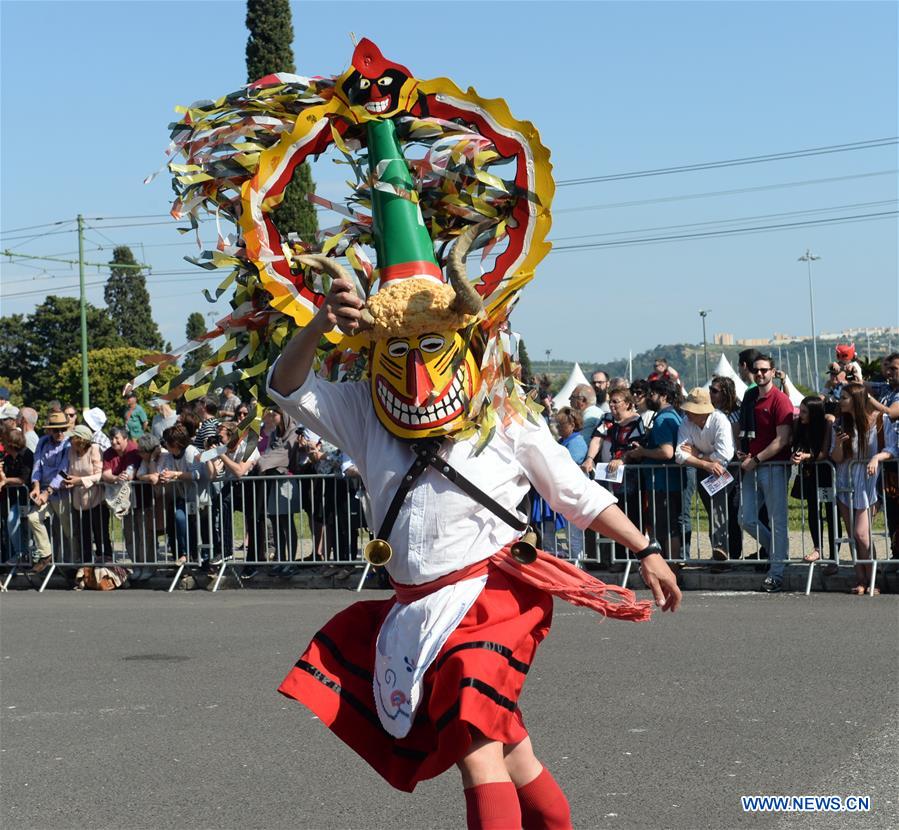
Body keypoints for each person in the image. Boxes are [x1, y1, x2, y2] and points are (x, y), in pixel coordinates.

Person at [267, 239, 679, 827]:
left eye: (430, 344)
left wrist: (648, 549)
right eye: (398, 346)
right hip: (417, 608)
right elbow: (285, 387)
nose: (414, 366)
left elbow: (576, 495)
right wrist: (318, 323)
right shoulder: (363, 411)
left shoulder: (508, 415)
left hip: (493, 599)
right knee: (515, 752)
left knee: (476, 751)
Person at [830, 383, 897, 595]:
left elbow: (892, 449)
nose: (840, 401)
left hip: (868, 484)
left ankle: (874, 579)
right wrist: (839, 444)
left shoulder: (879, 420)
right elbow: (837, 458)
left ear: (857, 399)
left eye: (845, 398)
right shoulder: (841, 423)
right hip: (845, 483)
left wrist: (877, 457)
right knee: (853, 536)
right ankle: (860, 579)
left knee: (862, 535)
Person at [737, 355, 793, 593]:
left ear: (773, 372)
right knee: (746, 517)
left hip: (773, 467)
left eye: (764, 370)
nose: (759, 374)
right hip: (751, 465)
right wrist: (744, 454)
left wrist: (757, 458)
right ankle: (779, 553)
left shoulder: (781, 400)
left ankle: (777, 571)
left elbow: (782, 440)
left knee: (777, 520)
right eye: (756, 370)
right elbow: (745, 430)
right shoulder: (749, 396)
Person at [585, 388, 648, 569]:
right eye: (610, 401)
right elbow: (597, 439)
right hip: (607, 477)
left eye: (616, 402)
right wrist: (590, 458)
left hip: (629, 479)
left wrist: (622, 459)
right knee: (611, 517)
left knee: (631, 517)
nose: (612, 405)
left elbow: (635, 446)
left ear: (628, 403)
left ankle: (634, 559)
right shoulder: (607, 419)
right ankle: (616, 559)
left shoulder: (636, 421)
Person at [624, 378, 683, 562]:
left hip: (662, 482)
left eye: (652, 394)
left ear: (663, 396)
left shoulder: (664, 419)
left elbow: (666, 452)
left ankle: (670, 567)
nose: (649, 398)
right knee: (667, 526)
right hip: (666, 481)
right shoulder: (671, 416)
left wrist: (642, 451)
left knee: (665, 528)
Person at [675, 388, 735, 563]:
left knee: (721, 511)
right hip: (704, 470)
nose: (686, 412)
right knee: (712, 511)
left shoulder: (720, 420)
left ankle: (722, 552)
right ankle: (719, 553)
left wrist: (697, 455)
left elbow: (724, 454)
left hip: (724, 471)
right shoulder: (686, 422)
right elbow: (680, 455)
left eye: (691, 409)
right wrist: (705, 463)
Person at [204, 420, 259, 566]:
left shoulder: (249, 446)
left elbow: (240, 471)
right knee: (219, 505)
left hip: (252, 484)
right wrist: (208, 454)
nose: (217, 438)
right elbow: (212, 475)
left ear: (232, 435)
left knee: (253, 522)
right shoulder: (225, 450)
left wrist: (220, 453)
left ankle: (254, 560)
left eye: (220, 434)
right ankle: (224, 550)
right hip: (234, 485)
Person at [790, 396, 837, 564]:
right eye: (800, 410)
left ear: (814, 413)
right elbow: (794, 445)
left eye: (804, 412)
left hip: (826, 474)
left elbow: (824, 453)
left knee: (831, 513)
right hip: (809, 474)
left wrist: (806, 456)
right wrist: (796, 455)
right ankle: (818, 548)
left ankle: (834, 553)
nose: (800, 414)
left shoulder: (826, 424)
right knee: (813, 512)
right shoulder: (799, 426)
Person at [26, 411, 73, 571]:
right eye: (55, 430)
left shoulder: (68, 444)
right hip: (44, 490)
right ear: (49, 430)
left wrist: (47, 492)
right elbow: (37, 464)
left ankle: (74, 566)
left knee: (69, 532)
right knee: (33, 518)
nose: (59, 433)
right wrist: (36, 486)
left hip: (61, 493)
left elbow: (63, 470)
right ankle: (46, 555)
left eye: (62, 429)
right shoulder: (43, 442)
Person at [157, 424, 205, 565]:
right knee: (179, 519)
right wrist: (164, 476)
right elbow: (164, 469)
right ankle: (184, 553)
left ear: (175, 443)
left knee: (194, 525)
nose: (165, 444)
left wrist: (176, 474)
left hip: (197, 497)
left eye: (167, 441)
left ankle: (196, 555)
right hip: (182, 497)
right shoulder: (170, 455)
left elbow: (196, 474)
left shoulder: (190, 452)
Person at [867, 352, 899, 557]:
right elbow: (862, 386)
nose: (889, 372)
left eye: (894, 369)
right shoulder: (887, 388)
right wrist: (852, 374)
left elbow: (892, 412)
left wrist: (868, 399)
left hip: (894, 458)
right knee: (893, 515)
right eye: (888, 368)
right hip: (889, 461)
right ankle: (895, 557)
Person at [61, 425, 108, 561]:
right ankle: (86, 569)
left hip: (97, 500)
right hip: (79, 502)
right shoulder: (71, 451)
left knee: (101, 538)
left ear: (80, 440)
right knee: (84, 538)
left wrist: (79, 480)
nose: (69, 440)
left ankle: (107, 569)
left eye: (72, 437)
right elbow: (71, 471)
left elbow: (100, 475)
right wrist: (68, 479)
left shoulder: (95, 449)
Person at [0, 429, 33, 562]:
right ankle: (20, 553)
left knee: (21, 525)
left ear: (10, 443)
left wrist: (6, 480)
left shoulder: (27, 455)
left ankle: (24, 554)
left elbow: (23, 479)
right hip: (15, 499)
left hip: (29, 497)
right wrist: (2, 474)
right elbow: (5, 478)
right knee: (13, 522)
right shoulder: (7, 458)